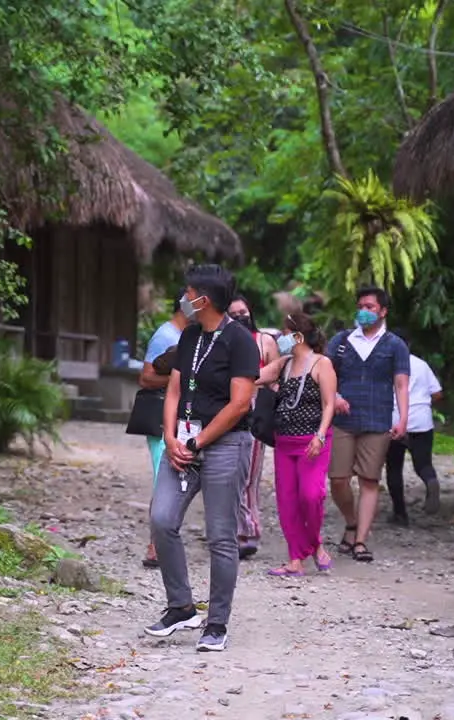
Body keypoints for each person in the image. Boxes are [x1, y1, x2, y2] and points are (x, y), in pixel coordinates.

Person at [145, 264, 259, 652]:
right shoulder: (191, 334)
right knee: (162, 519)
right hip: (184, 440)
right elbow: (175, 388)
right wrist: (171, 434)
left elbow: (240, 403)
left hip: (225, 444)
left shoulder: (240, 340)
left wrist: (198, 443)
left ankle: (217, 623)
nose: (183, 298)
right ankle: (180, 607)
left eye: (188, 291)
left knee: (220, 536)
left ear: (203, 299)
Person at [326, 286, 411, 563]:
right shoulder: (340, 341)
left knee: (369, 479)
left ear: (383, 311)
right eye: (361, 306)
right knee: (338, 479)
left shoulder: (395, 345)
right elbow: (324, 374)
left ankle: (360, 539)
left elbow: (401, 383)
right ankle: (351, 521)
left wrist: (403, 418)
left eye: (370, 307)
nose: (364, 311)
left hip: (377, 419)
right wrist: (335, 396)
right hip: (342, 419)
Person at [256, 313, 337, 576]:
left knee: (311, 496)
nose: (281, 337)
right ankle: (295, 559)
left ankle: (315, 544)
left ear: (298, 336)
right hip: (284, 441)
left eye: (285, 332)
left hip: (312, 442)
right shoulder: (284, 363)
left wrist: (321, 435)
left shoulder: (322, 364)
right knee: (287, 501)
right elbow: (253, 377)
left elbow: (329, 404)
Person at [136, 297, 190, 568]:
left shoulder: (186, 335)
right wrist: (183, 378)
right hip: (159, 418)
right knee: (163, 479)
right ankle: (155, 545)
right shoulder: (165, 335)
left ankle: (161, 542)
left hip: (177, 418)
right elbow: (146, 377)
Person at [226, 295, 280, 559]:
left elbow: (276, 378)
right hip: (226, 412)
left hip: (255, 414)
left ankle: (249, 530)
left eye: (243, 312)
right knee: (226, 474)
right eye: (233, 313)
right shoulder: (223, 341)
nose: (239, 317)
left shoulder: (265, 341)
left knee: (249, 477)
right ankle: (231, 530)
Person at [385, 331, 443, 523]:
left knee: (394, 467)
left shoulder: (384, 365)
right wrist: (423, 402)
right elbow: (437, 393)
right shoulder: (421, 364)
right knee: (423, 463)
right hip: (420, 420)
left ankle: (400, 513)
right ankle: (431, 482)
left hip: (392, 421)